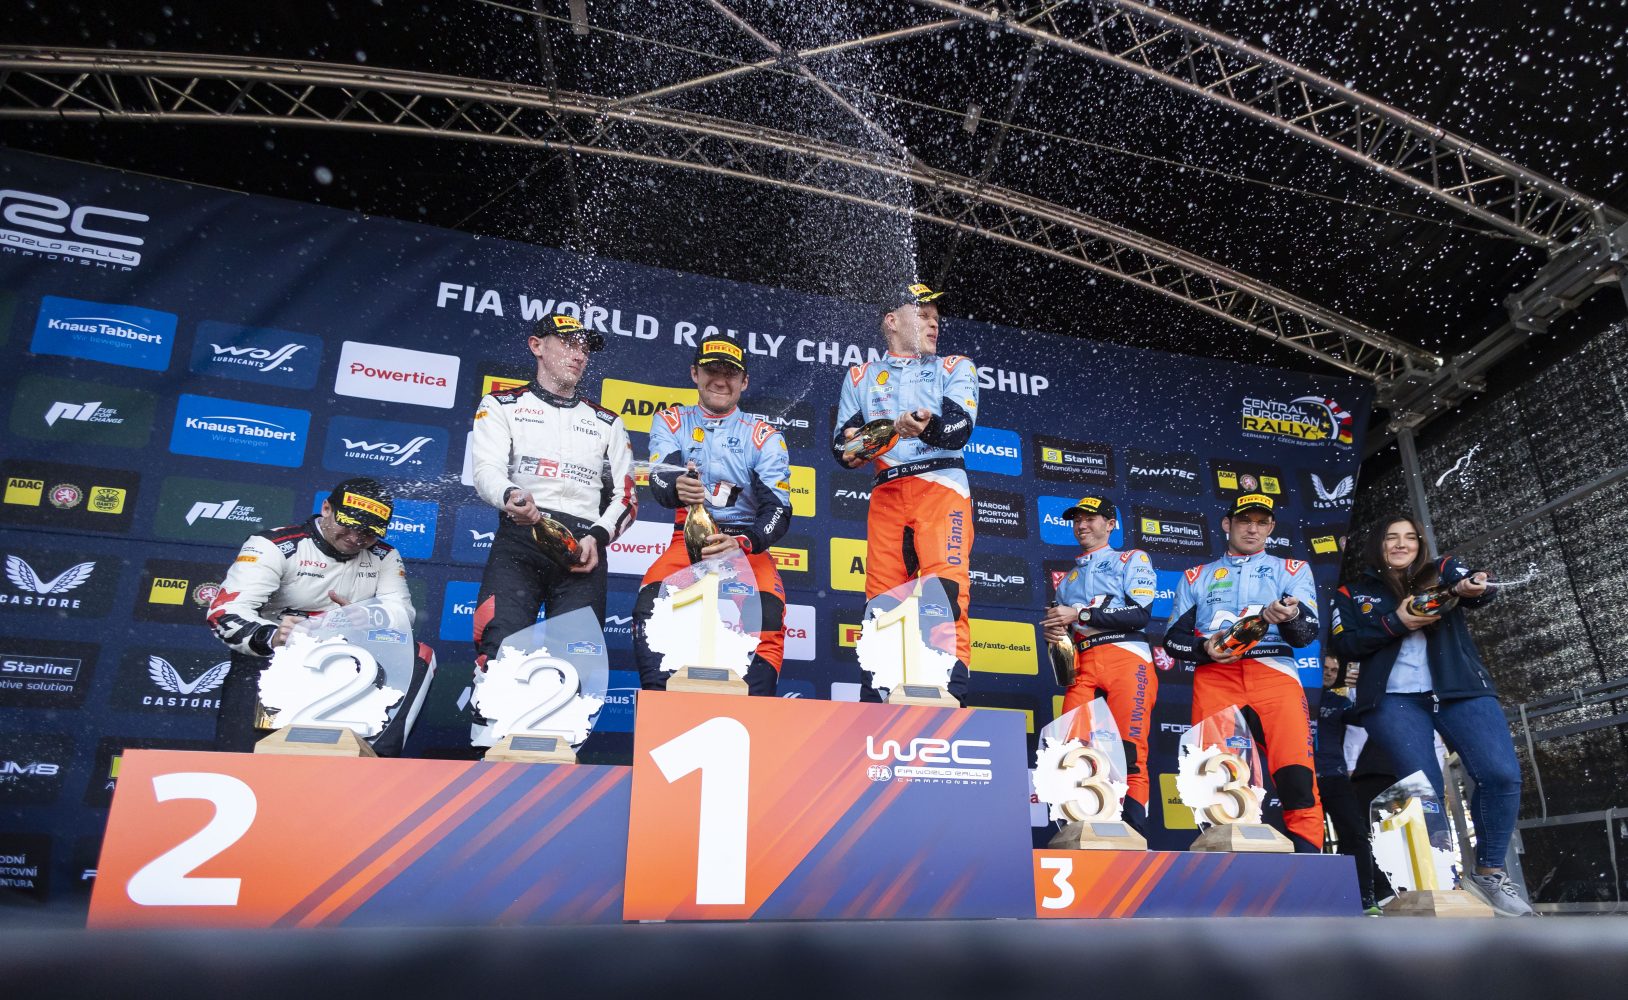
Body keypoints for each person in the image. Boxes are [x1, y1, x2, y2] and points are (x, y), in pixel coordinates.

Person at [1329, 514, 1533, 916]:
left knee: (1501, 774)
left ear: (1420, 544)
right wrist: (1397, 622)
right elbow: (1346, 645)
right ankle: (1442, 883)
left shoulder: (1441, 569)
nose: (1401, 544)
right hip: (1392, 700)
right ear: (1377, 545)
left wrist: (1473, 584)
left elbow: (1474, 588)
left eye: (1410, 537)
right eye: (1391, 537)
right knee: (1423, 789)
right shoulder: (1352, 593)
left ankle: (1489, 873)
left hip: (1461, 690)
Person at [206, 477, 433, 756]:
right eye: (349, 525)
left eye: (369, 532)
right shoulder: (273, 545)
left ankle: (375, 760)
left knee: (418, 654)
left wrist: (369, 616)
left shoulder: (384, 555)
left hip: (347, 663)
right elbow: (225, 612)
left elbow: (401, 613)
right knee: (245, 758)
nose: (356, 537)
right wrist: (274, 636)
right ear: (326, 509)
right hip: (274, 657)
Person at [830, 282, 979, 702]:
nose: (934, 324)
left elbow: (959, 430)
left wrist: (927, 426)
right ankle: (878, 703)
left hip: (941, 487)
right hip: (888, 493)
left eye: (936, 318)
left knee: (944, 595)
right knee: (882, 605)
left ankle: (949, 698)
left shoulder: (955, 366)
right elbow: (844, 451)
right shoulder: (860, 376)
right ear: (892, 321)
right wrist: (874, 438)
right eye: (923, 315)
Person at [468, 313, 636, 669]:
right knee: (499, 654)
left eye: (585, 349)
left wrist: (597, 538)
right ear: (537, 346)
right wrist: (512, 495)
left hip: (583, 547)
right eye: (569, 344)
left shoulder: (608, 421)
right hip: (521, 536)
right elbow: (485, 472)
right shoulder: (501, 404)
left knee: (576, 665)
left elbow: (626, 498)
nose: (579, 355)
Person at [632, 338, 792, 695]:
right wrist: (676, 486)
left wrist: (743, 542)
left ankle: (754, 714)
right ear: (695, 374)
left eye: (730, 373)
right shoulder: (671, 420)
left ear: (744, 381)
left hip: (744, 544)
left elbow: (778, 510)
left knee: (767, 614)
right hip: (687, 540)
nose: (720, 380)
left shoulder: (764, 436)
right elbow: (660, 477)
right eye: (711, 370)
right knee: (651, 604)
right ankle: (661, 708)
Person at [1164, 492, 1323, 851]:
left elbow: (1305, 636)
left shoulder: (1292, 570)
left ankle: (1309, 859)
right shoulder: (1196, 576)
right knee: (1214, 778)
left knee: (1296, 775)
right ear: (1227, 524)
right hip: (1216, 678)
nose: (1252, 529)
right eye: (1244, 521)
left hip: (1274, 674)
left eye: (1261, 522)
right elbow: (1172, 640)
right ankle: (1224, 861)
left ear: (1271, 528)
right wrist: (1204, 648)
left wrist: (1291, 616)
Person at [1040, 497, 1158, 831]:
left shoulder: (1132, 559)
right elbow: (1064, 633)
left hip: (1127, 658)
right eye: (1077, 519)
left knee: (1130, 753)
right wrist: (1054, 634)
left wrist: (1080, 614)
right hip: (1083, 663)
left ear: (1110, 524)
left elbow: (1139, 613)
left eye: (1091, 518)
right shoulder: (1067, 581)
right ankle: (1080, 828)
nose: (1082, 525)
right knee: (1069, 750)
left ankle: (1133, 834)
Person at [1315, 656, 1396, 914]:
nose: (1329, 673)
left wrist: (1361, 686)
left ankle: (1364, 898)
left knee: (1356, 834)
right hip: (1301, 777)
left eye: (1334, 670)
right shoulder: (1294, 694)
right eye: (1325, 668)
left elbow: (1363, 717)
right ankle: (1310, 897)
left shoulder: (1338, 701)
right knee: (1309, 837)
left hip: (1334, 776)